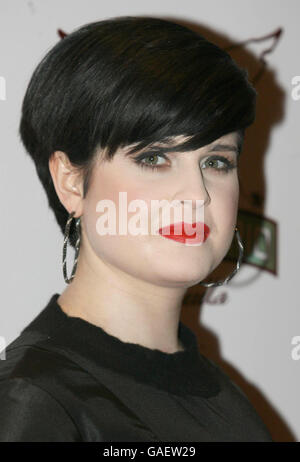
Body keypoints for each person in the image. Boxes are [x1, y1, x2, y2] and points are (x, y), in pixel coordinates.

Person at [0, 16, 273, 442]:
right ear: (72, 182)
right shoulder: (35, 403)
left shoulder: (228, 399)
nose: (196, 195)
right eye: (154, 158)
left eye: (217, 161)